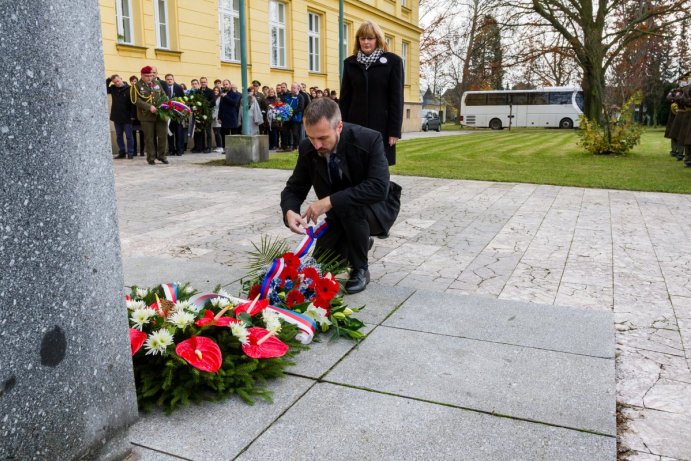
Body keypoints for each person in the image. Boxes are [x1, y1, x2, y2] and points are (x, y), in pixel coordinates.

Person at [280, 98, 401, 294]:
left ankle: (361, 268)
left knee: (349, 206)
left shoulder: (369, 139)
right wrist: (290, 211)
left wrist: (329, 201)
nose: (317, 145)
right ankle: (359, 241)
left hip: (377, 208)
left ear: (339, 127)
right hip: (338, 216)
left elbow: (379, 187)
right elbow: (295, 187)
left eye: (322, 138)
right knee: (320, 266)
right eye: (311, 138)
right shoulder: (307, 147)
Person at [339, 20, 404, 166]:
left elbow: (397, 99)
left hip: (382, 126)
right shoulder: (350, 63)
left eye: (370, 38)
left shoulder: (393, 62)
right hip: (355, 125)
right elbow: (345, 99)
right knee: (356, 165)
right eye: (362, 38)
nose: (366, 42)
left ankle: (382, 189)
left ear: (377, 39)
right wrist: (341, 126)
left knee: (378, 167)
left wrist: (394, 131)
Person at [130, 65, 168, 164]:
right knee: (149, 138)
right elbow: (135, 100)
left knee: (162, 135)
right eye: (147, 76)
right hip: (146, 116)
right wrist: (148, 107)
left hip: (160, 114)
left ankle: (162, 156)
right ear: (142, 75)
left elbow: (163, 95)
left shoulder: (157, 83)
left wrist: (165, 104)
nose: (150, 78)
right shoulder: (136, 86)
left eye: (151, 75)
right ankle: (151, 157)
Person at [106, 74, 136, 159]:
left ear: (121, 79)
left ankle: (130, 152)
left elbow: (133, 103)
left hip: (127, 117)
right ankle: (122, 152)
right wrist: (108, 79)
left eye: (118, 81)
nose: (117, 83)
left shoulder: (130, 89)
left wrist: (133, 115)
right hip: (117, 116)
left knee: (129, 136)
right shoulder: (113, 88)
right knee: (119, 135)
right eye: (115, 82)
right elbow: (104, 88)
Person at [164, 73, 186, 156]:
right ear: (165, 80)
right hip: (168, 114)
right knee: (169, 132)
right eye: (168, 79)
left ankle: (179, 149)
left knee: (179, 132)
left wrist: (182, 112)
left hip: (177, 114)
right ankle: (171, 150)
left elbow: (183, 99)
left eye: (171, 79)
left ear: (173, 79)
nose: (169, 80)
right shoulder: (163, 88)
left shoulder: (178, 87)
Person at [282, 83, 304, 151]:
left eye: (294, 88)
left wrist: (291, 113)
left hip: (296, 118)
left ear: (298, 89)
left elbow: (300, 108)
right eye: (291, 88)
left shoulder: (300, 97)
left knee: (295, 133)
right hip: (286, 118)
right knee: (284, 132)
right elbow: (284, 104)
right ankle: (285, 147)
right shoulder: (287, 96)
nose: (292, 89)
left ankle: (295, 147)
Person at [129, 75, 145, 156]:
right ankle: (134, 150)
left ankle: (142, 150)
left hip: (141, 115)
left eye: (135, 81)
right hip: (132, 116)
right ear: (130, 82)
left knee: (142, 134)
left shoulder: (140, 90)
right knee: (133, 134)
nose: (134, 82)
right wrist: (131, 115)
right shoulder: (129, 90)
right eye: (132, 81)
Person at [211, 87, 224, 152]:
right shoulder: (213, 98)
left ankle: (220, 146)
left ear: (219, 91)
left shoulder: (220, 98)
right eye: (214, 90)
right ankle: (218, 146)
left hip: (217, 116)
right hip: (213, 116)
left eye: (217, 90)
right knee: (215, 132)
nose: (216, 91)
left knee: (218, 132)